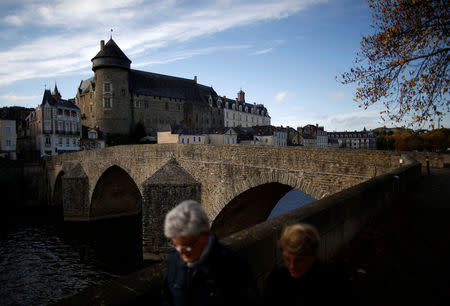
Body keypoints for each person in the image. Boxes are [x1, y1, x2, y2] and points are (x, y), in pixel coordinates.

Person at [161, 200, 254, 306]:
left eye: (187, 246)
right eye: (176, 245)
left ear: (204, 236)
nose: (181, 252)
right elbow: (167, 298)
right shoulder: (174, 258)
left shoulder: (234, 266)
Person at [263, 223, 343, 305]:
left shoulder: (332, 281)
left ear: (313, 255)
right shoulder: (275, 279)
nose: (292, 266)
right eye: (287, 259)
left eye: (299, 260)